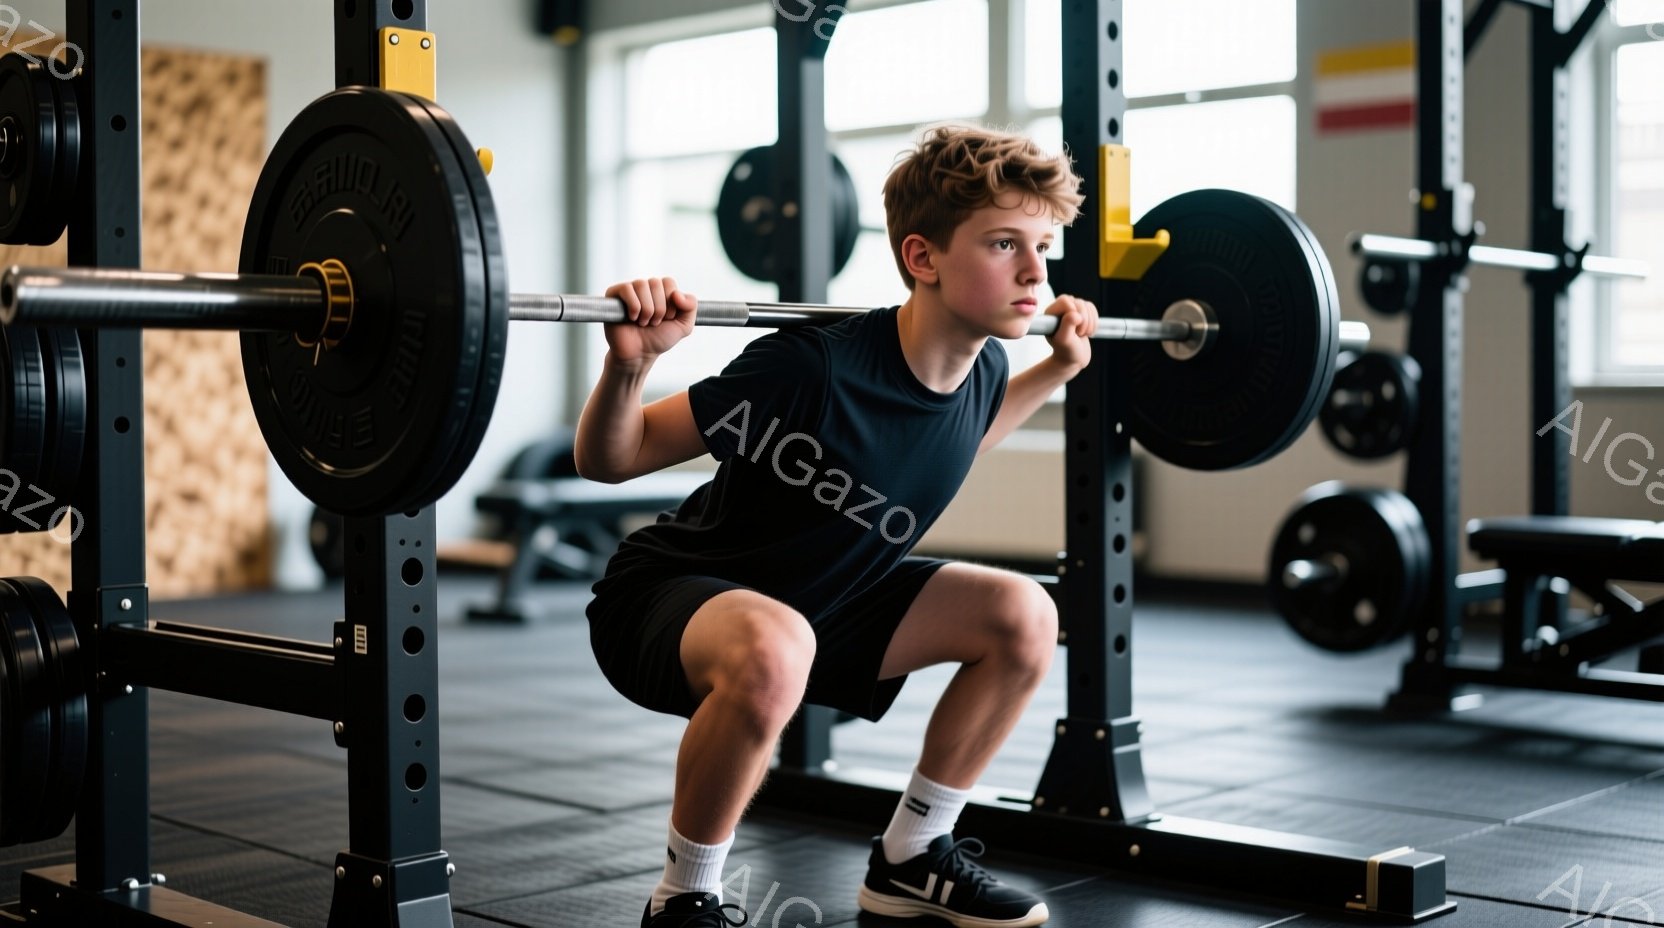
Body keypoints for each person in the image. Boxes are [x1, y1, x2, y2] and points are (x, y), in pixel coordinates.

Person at [576, 124, 1094, 928]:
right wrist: (630, 365)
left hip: (825, 606)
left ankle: (913, 858)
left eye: (1044, 247)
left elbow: (963, 436)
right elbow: (617, 457)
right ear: (922, 258)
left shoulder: (984, 367)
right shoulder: (810, 368)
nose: (1035, 272)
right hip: (669, 600)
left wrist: (1056, 369)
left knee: (1025, 615)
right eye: (1003, 244)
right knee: (777, 642)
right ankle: (685, 899)